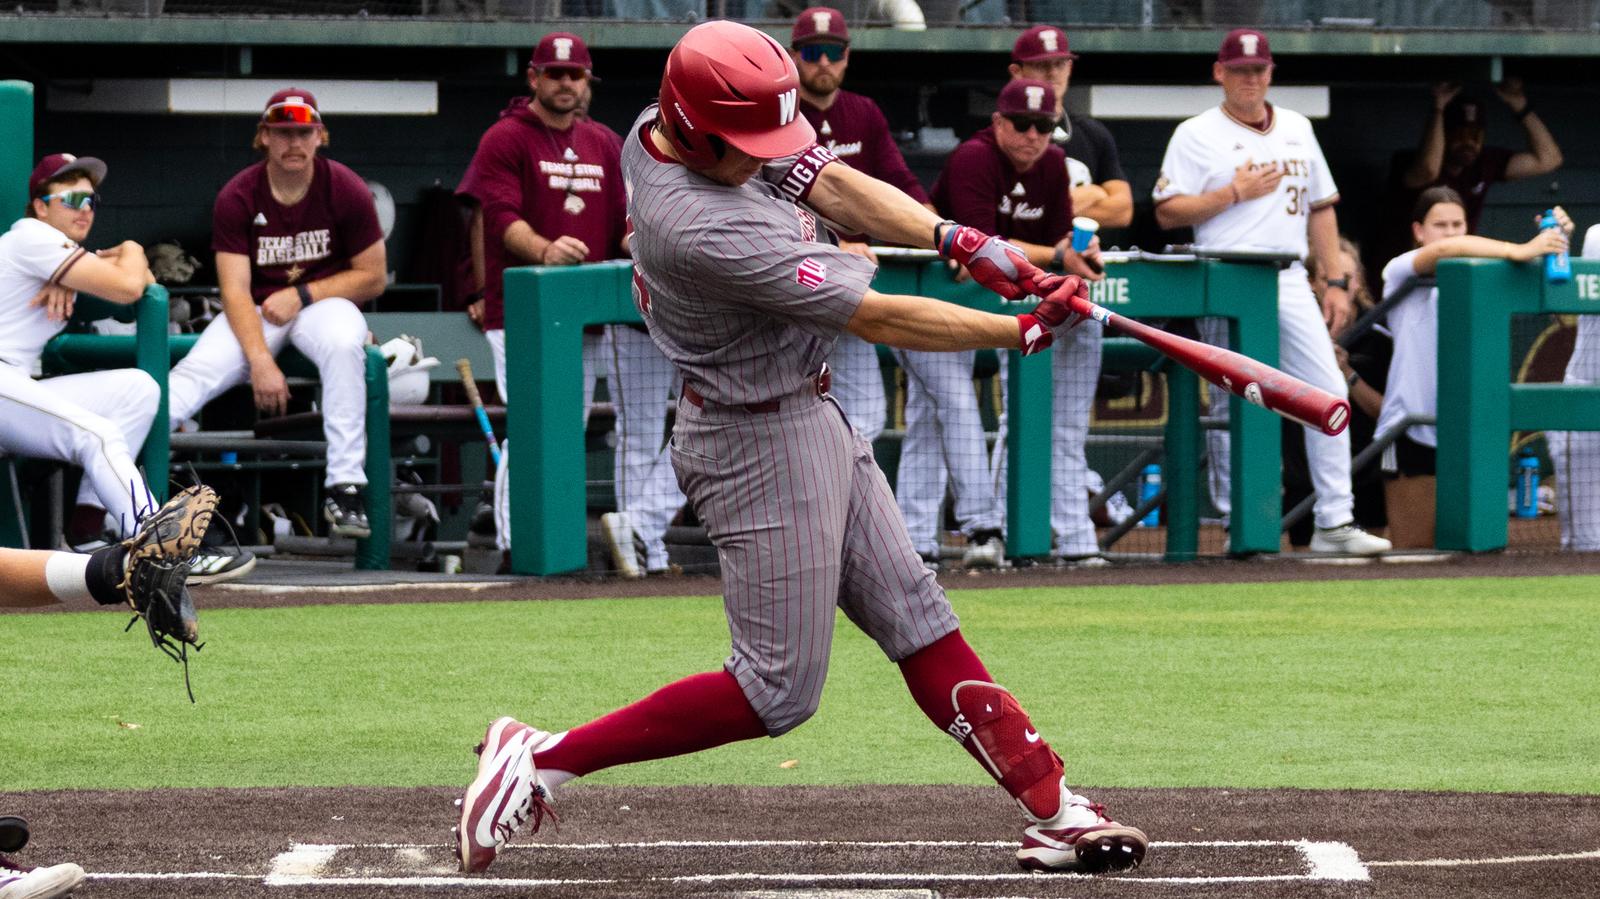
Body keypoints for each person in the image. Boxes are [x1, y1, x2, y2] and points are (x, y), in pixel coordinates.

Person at [453, 20, 1147, 878]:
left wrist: (956, 239)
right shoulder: (702, 226)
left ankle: (1055, 807)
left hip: (808, 413)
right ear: (699, 127)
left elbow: (833, 183)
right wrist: (1018, 330)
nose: (766, 155)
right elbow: (880, 315)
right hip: (753, 441)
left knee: (920, 619)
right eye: (747, 143)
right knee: (775, 689)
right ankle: (541, 757)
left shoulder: (665, 126)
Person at [1152, 29, 1391, 555]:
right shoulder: (1196, 133)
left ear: (1270, 71)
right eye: (1240, 70)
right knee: (1234, 400)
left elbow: (1321, 207)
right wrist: (1232, 192)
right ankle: (1243, 523)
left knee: (1327, 391)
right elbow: (1168, 212)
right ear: (1220, 73)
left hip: (1287, 275)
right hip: (1227, 274)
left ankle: (1334, 521)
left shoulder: (1299, 128)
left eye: (1258, 69)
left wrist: (1335, 280)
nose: (1250, 79)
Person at [456, 33, 671, 576]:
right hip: (525, 313)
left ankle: (633, 547)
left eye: (574, 75)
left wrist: (647, 247)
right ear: (534, 78)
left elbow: (627, 222)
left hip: (593, 315)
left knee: (597, 427)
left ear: (587, 82)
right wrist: (545, 249)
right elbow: (500, 219)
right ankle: (514, 543)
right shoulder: (505, 138)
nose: (565, 83)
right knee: (538, 426)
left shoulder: (603, 141)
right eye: (554, 74)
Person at [167, 88, 384, 561]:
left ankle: (345, 485)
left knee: (347, 345)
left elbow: (372, 276)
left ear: (320, 135)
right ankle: (116, 490)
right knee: (192, 376)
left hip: (322, 302)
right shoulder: (239, 194)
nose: (293, 142)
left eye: (303, 131)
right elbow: (234, 290)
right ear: (263, 136)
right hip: (255, 310)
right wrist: (261, 361)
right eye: (282, 132)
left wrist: (304, 293)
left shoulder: (344, 186)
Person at [931, 79, 1105, 565]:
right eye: (1023, 124)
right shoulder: (973, 156)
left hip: (1021, 298)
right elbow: (979, 243)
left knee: (1061, 422)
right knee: (943, 416)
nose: (1033, 135)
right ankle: (958, 535)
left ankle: (1052, 536)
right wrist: (1059, 254)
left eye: (1044, 125)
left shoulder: (1052, 164)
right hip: (948, 295)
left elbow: (1061, 242)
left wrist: (1077, 251)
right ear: (999, 122)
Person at [1376, 189, 1568, 548]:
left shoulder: (1487, 274)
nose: (1449, 233)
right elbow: (1445, 252)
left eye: (1457, 224)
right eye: (1439, 225)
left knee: (1469, 553)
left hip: (1468, 431)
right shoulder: (1401, 269)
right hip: (1409, 429)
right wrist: (1518, 248)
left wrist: (1553, 239)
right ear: (1419, 231)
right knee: (1412, 552)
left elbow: (1535, 269)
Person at [0, 153, 167, 550]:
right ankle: (161, 545)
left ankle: (88, 530)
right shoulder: (30, 236)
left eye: (92, 201)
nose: (85, 210)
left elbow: (141, 278)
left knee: (138, 388)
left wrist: (122, 252)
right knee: (98, 434)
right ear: (40, 207)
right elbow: (128, 286)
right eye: (72, 200)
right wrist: (128, 250)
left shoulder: (54, 248)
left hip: (12, 388)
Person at [788, 6, 932, 447]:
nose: (824, 62)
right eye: (813, 52)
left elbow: (898, 180)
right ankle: (642, 516)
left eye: (833, 52)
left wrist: (936, 227)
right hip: (789, 282)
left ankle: (831, 501)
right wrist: (837, 241)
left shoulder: (864, 112)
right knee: (777, 407)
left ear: (848, 55)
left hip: (848, 286)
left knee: (865, 411)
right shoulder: (781, 114)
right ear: (794, 56)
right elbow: (769, 201)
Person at [1007, 24, 1132, 232]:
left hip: (1080, 257)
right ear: (1017, 72)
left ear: (1070, 68)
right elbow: (1010, 214)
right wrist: (1093, 193)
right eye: (1041, 65)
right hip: (1020, 258)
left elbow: (1122, 211)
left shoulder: (1092, 133)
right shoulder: (1001, 134)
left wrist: (1047, 209)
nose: (1052, 73)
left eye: (1060, 64)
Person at [1550, 223, 1600, 551]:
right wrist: (1557, 249)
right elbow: (1561, 306)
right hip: (1586, 401)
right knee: (1588, 544)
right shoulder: (1597, 238)